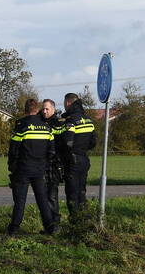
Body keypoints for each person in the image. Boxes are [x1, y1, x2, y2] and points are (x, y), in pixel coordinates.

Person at [6, 98, 59, 236]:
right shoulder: (46, 128)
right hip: (39, 169)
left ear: (25, 110)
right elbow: (52, 151)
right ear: (38, 110)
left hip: (23, 169)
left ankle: (14, 229)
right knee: (42, 200)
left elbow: (13, 150)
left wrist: (12, 166)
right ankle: (50, 227)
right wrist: (45, 164)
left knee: (20, 201)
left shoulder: (21, 127)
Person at [57, 92, 97, 215]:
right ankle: (85, 220)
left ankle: (75, 222)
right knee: (82, 192)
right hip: (84, 160)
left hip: (72, 161)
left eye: (65, 103)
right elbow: (93, 143)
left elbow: (67, 142)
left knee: (72, 194)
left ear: (68, 102)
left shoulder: (71, 120)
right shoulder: (88, 119)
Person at [40, 99, 64, 229]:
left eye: (47, 109)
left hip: (54, 164)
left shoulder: (58, 124)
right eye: (43, 109)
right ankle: (48, 224)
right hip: (42, 163)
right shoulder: (39, 122)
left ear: (53, 109)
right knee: (43, 195)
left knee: (52, 195)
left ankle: (55, 224)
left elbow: (61, 144)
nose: (44, 111)